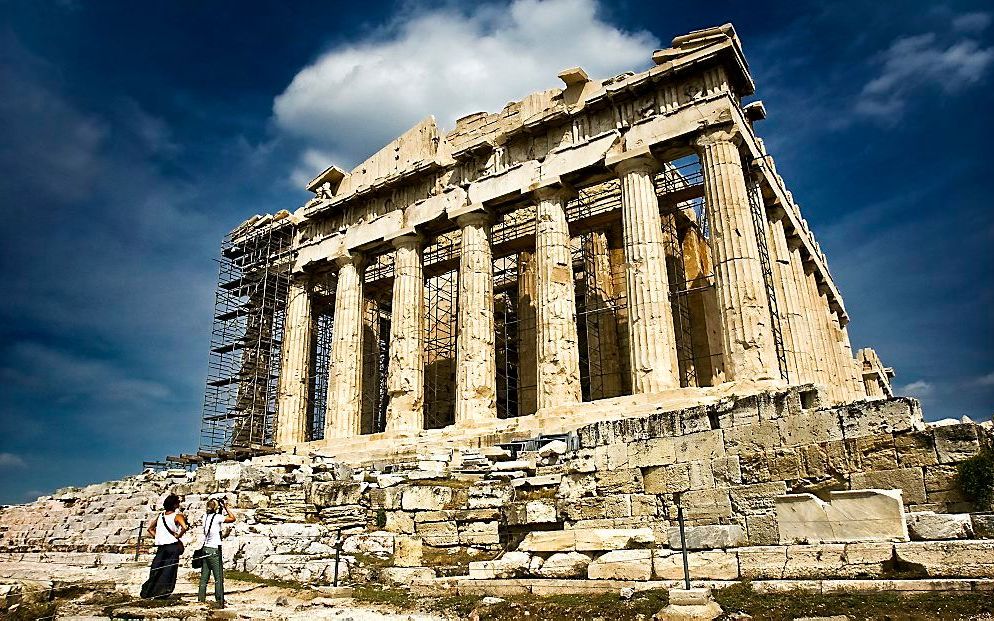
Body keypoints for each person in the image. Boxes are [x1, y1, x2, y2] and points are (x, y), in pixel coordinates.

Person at [140, 493, 188, 599]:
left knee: (156, 569)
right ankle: (162, 593)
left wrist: (158, 537)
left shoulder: (160, 516)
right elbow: (184, 527)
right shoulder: (177, 516)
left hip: (161, 547)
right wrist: (178, 536)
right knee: (169, 570)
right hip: (172, 546)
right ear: (175, 505)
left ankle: (150, 592)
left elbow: (150, 529)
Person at [198, 496, 236, 607]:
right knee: (218, 577)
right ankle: (219, 599)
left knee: (204, 576)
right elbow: (232, 518)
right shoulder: (218, 517)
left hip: (205, 548)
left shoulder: (204, 517)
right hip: (214, 549)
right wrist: (225, 507)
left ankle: (201, 599)